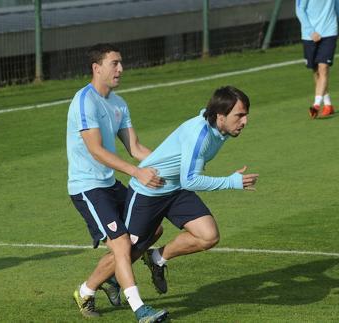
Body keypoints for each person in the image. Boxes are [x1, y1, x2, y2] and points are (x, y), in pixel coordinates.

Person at [66, 43, 168, 322]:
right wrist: (136, 173)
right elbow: (96, 150)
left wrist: (171, 164)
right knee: (122, 244)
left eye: (121, 63)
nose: (121, 69)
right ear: (96, 68)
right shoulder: (84, 100)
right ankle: (140, 309)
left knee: (153, 228)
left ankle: (90, 288)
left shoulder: (119, 103)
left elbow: (135, 148)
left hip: (109, 184)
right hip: (88, 187)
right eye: (115, 63)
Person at [123, 86, 259, 295]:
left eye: (246, 115)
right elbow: (190, 181)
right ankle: (88, 290)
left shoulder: (220, 128)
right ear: (220, 116)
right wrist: (231, 182)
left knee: (208, 236)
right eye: (239, 115)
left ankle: (156, 258)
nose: (245, 121)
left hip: (174, 190)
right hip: (148, 191)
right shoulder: (200, 135)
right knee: (127, 252)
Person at [295, 0, 339, 119]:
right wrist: (311, 31)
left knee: (323, 68)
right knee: (316, 71)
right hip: (309, 36)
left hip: (329, 32)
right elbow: (299, 10)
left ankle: (316, 105)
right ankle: (328, 104)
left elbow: (338, 4)